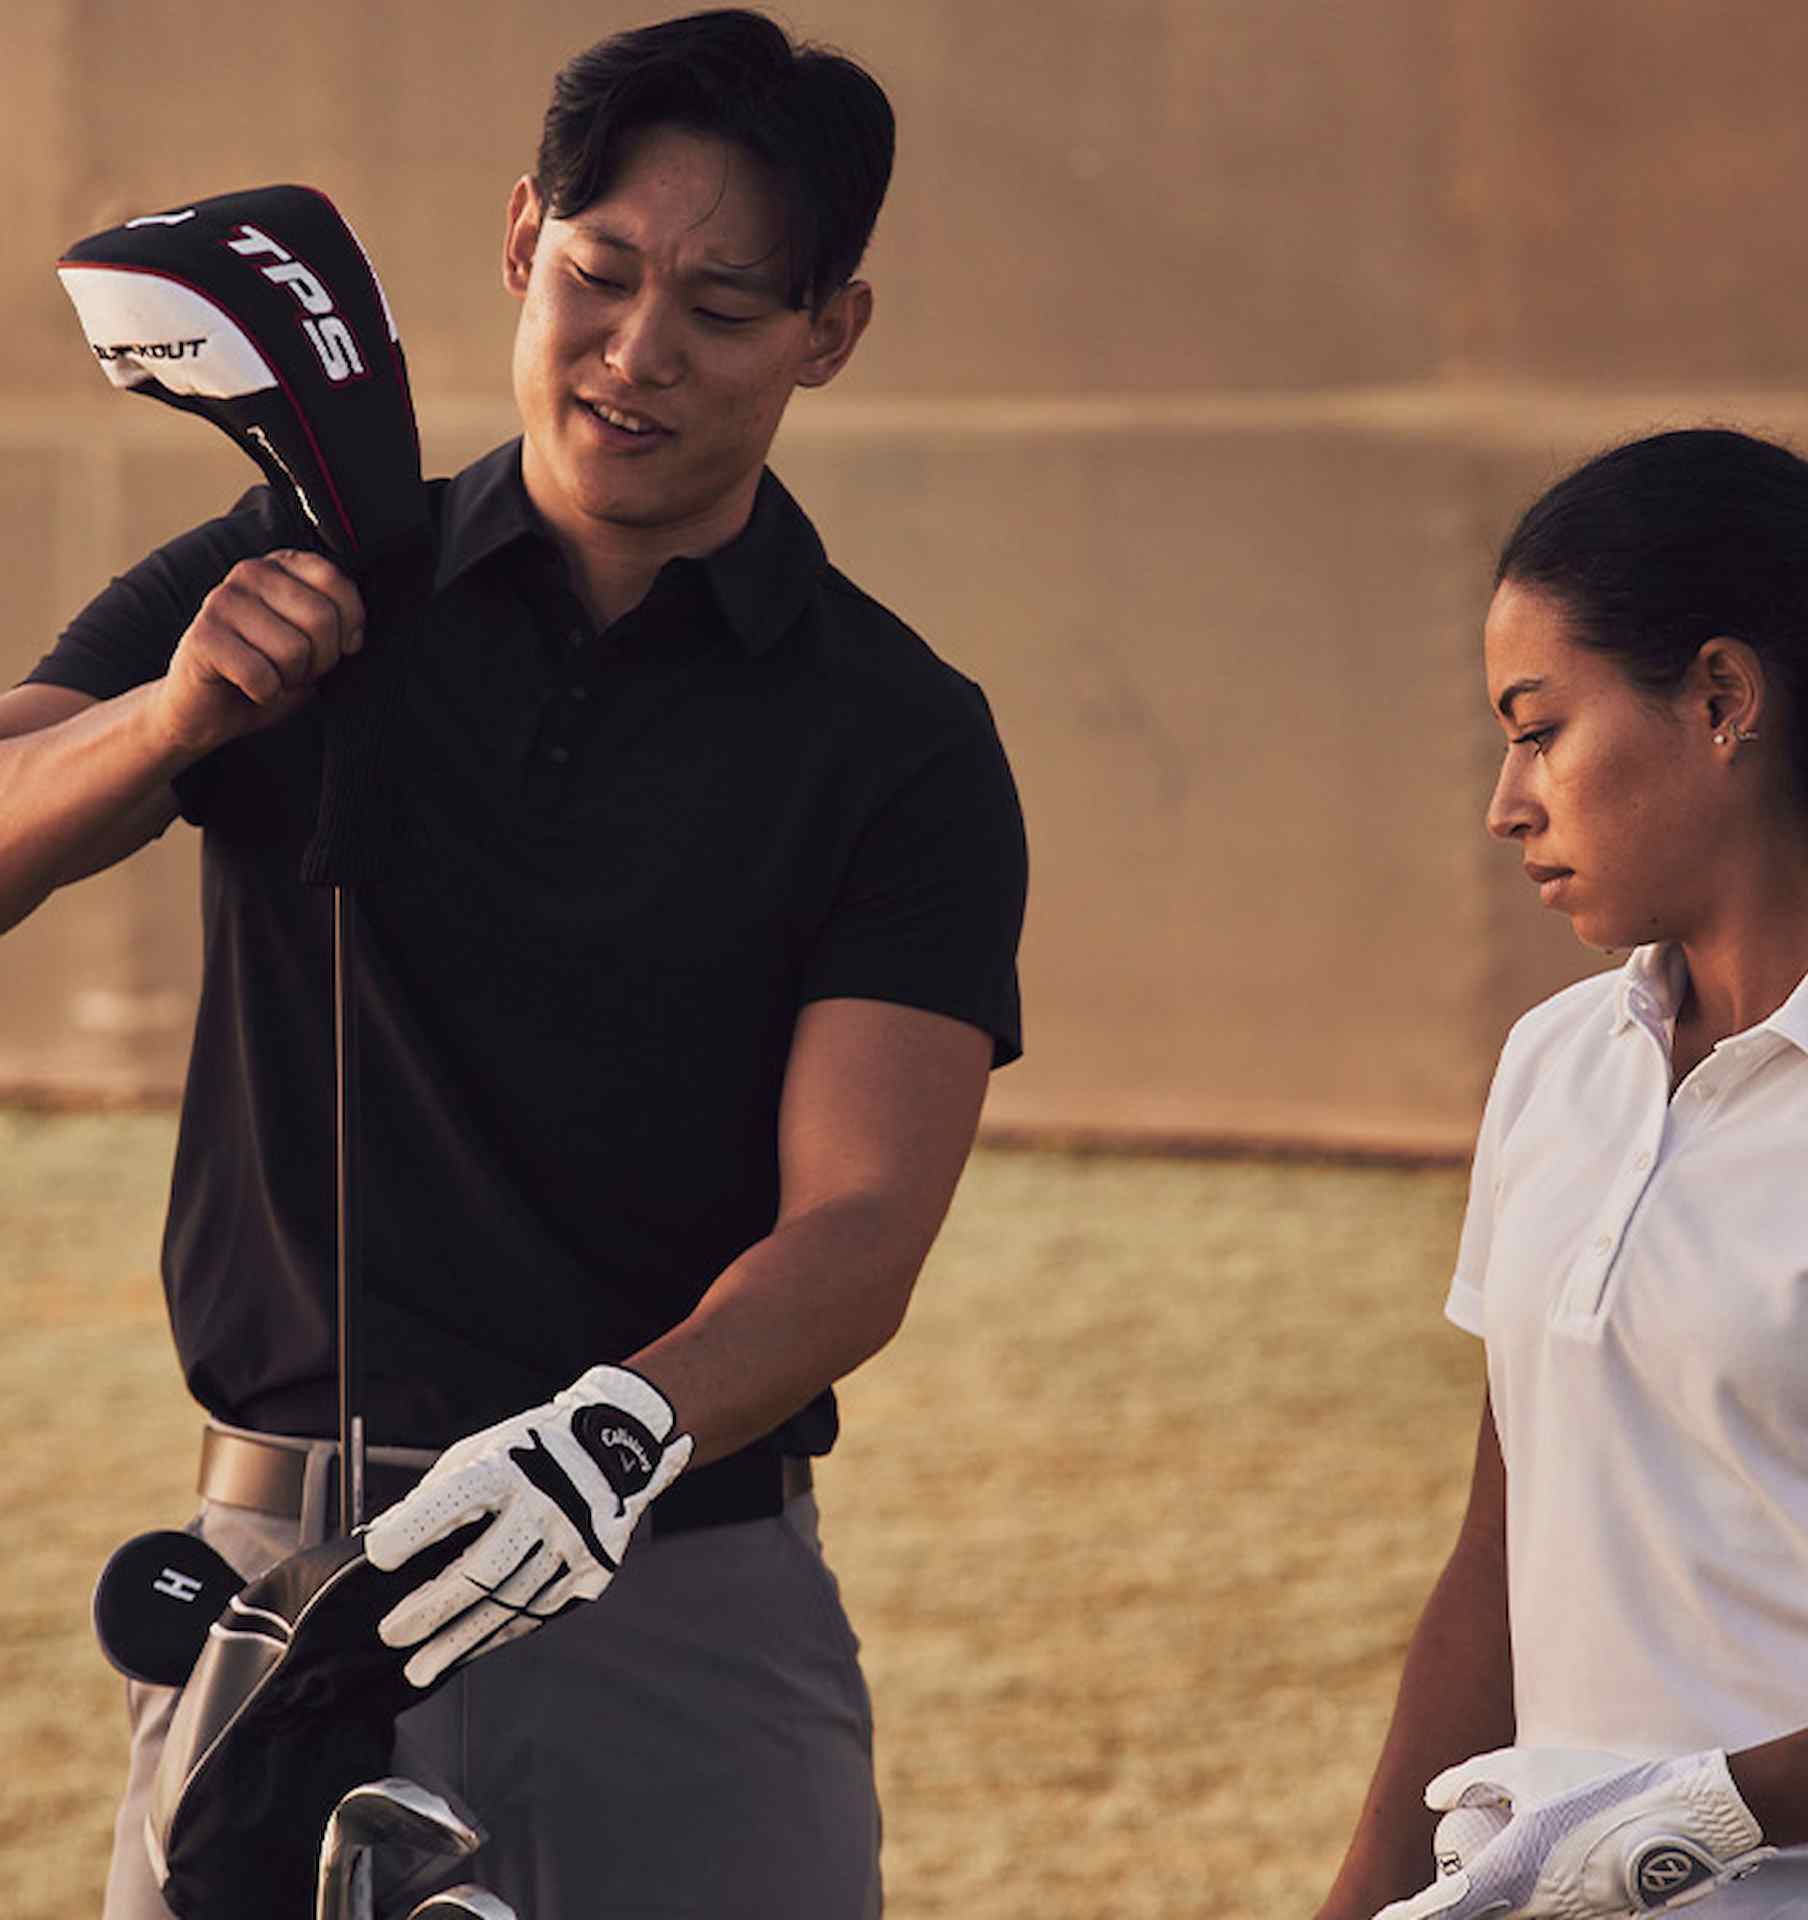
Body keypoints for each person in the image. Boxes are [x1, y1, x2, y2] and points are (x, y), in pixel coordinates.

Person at [1, 12, 1025, 1918]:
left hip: (677, 1585)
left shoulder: (899, 736)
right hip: (280, 1576)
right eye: (600, 272)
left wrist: (615, 1430)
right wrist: (169, 722)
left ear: (832, 332)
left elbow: (863, 1221)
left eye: (722, 308)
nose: (637, 354)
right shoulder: (287, 569)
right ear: (517, 242)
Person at [1313, 428, 1808, 1920]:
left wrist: (1707, 1813)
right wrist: (1362, 1897)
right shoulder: (1557, 1065)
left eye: (1539, 728)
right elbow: (1500, 1549)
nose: (1506, 802)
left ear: (1721, 700)